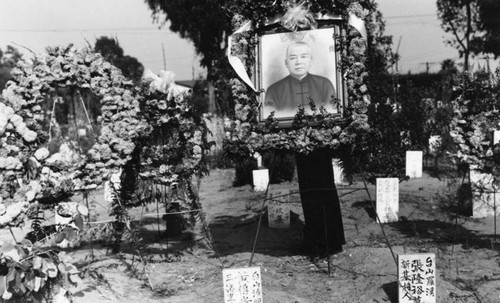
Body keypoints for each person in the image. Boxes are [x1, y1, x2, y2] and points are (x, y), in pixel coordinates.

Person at [264, 41, 336, 116]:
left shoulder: (325, 85)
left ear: (311, 60)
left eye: (303, 57)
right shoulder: (273, 91)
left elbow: (331, 114)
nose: (298, 62)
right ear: (286, 63)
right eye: (293, 58)